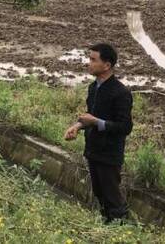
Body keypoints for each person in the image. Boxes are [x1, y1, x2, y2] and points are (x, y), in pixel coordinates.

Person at [64, 43, 133, 224]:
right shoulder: (93, 88)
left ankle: (123, 231)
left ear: (107, 65)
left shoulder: (120, 93)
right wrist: (77, 126)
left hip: (109, 155)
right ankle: (106, 230)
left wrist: (96, 122)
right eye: (89, 59)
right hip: (93, 150)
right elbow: (90, 116)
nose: (89, 63)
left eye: (93, 60)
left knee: (113, 200)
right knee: (100, 195)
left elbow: (125, 127)